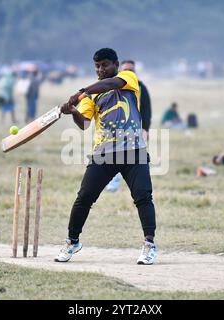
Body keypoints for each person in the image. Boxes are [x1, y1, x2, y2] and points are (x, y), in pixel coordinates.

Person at [56, 48, 158, 265]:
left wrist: (79, 93)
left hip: (133, 151)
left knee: (143, 197)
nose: (100, 70)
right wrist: (73, 111)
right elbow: (84, 124)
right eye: (97, 67)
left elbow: (110, 84)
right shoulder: (91, 95)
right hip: (104, 153)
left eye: (104, 65)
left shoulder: (128, 78)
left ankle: (149, 245)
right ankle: (72, 241)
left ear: (116, 64)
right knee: (84, 198)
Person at [106, 59, 152, 193]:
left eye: (131, 70)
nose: (128, 73)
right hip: (116, 129)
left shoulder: (141, 87)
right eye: (125, 70)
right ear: (120, 71)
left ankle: (137, 187)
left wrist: (146, 129)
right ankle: (112, 185)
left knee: (134, 159)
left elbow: (146, 110)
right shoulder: (112, 86)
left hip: (135, 129)